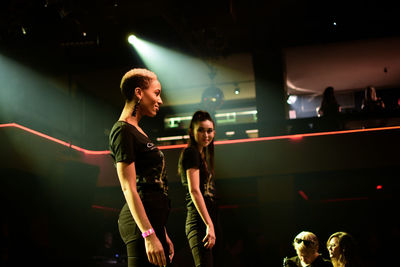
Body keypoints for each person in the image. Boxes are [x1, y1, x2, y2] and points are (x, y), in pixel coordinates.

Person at [109, 68, 174, 267]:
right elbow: (129, 187)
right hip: (140, 228)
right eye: (156, 93)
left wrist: (162, 232)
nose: (160, 100)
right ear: (139, 93)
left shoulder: (137, 131)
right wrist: (148, 235)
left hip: (153, 224)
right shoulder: (122, 130)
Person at [178, 110, 218, 267]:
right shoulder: (191, 153)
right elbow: (194, 190)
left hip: (207, 220)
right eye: (201, 130)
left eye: (209, 131)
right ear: (191, 132)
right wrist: (209, 224)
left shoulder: (202, 156)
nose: (206, 135)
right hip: (199, 221)